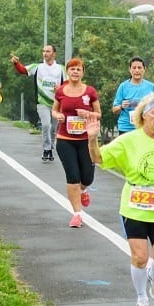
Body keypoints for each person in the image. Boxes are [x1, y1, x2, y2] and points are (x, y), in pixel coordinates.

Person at [85, 93, 154, 306]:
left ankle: (153, 274)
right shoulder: (129, 140)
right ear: (143, 115)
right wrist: (92, 139)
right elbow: (99, 158)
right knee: (140, 257)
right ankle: (142, 299)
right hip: (134, 205)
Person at [52, 57, 101, 228]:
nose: (75, 72)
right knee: (73, 176)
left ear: (82, 72)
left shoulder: (90, 92)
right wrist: (57, 116)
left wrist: (88, 115)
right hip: (65, 139)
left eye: (78, 69)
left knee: (87, 177)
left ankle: (84, 189)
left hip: (85, 140)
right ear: (68, 71)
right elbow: (54, 109)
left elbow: (98, 114)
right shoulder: (60, 91)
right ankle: (77, 214)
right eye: (72, 69)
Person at [12, 44, 65, 162]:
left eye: (48, 51)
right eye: (44, 51)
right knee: (46, 125)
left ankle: (50, 148)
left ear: (54, 54)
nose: (45, 53)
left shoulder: (61, 69)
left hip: (57, 103)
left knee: (54, 128)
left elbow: (67, 85)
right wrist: (16, 63)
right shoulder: (38, 67)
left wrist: (60, 90)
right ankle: (46, 149)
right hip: (42, 102)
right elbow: (23, 70)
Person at [111, 57, 154, 135]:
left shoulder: (150, 86)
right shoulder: (123, 86)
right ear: (130, 69)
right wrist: (121, 106)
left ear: (144, 69)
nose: (137, 70)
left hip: (144, 127)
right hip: (126, 128)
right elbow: (114, 110)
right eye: (134, 68)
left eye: (139, 67)